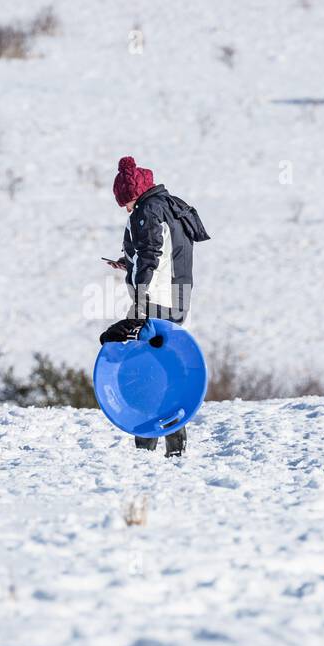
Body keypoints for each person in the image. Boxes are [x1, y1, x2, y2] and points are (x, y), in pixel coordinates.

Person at [99, 156, 210, 458]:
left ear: (134, 194)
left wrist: (140, 303)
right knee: (166, 368)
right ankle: (174, 443)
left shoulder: (147, 212)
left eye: (125, 200)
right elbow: (164, 256)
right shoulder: (170, 205)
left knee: (144, 370)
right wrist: (127, 264)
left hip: (155, 301)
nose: (124, 207)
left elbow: (150, 255)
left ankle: (145, 444)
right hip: (176, 298)